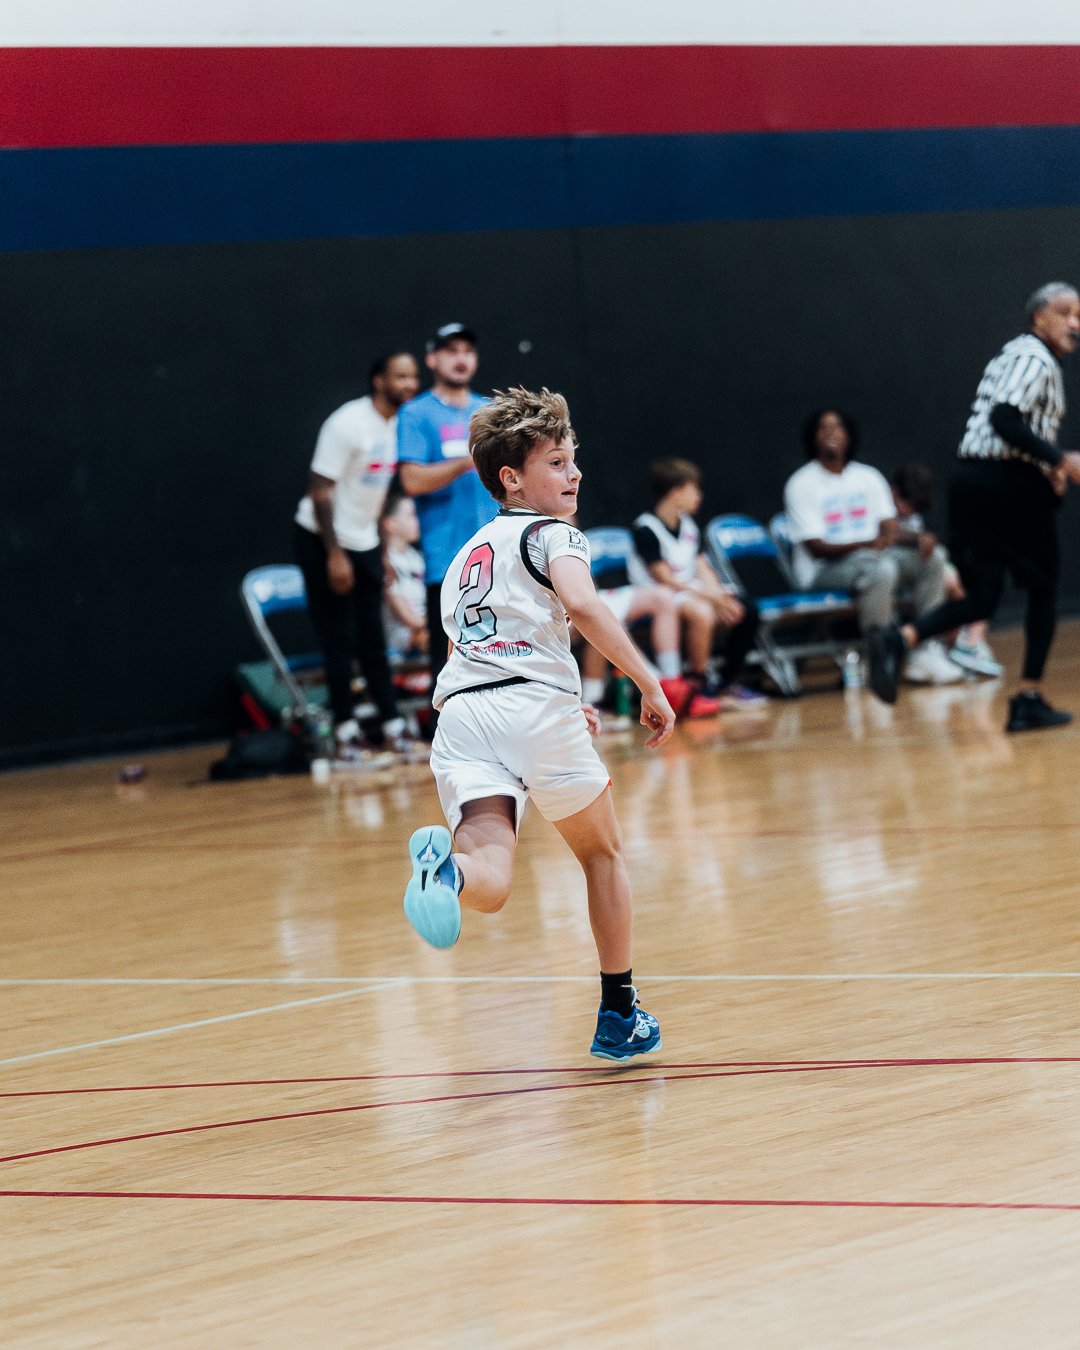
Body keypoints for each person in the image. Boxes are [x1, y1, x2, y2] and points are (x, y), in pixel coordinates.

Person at [401, 386, 676, 1062]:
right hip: (533, 711)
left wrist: (554, 690)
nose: (573, 473)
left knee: (489, 876)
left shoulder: (465, 558)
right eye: (557, 461)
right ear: (511, 478)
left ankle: (447, 880)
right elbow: (581, 605)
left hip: (463, 715)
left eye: (573, 459)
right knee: (601, 855)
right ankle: (618, 1016)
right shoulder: (555, 534)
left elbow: (479, 653)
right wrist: (647, 680)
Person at [867, 283, 1080, 730]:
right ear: (1039, 317)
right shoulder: (1034, 357)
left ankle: (900, 638)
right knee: (1043, 589)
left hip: (974, 481)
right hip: (1007, 485)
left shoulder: (1014, 355)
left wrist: (1049, 467)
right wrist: (1059, 460)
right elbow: (1005, 419)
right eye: (1066, 313)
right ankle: (1028, 697)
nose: (1075, 324)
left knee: (983, 594)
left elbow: (1008, 423)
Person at [294, 350, 420, 755]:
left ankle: (392, 725)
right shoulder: (347, 423)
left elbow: (380, 493)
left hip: (364, 542)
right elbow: (319, 491)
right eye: (400, 376)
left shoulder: (399, 426)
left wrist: (379, 550)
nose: (409, 384)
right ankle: (345, 733)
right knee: (339, 640)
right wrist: (333, 554)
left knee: (372, 639)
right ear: (378, 381)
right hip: (322, 539)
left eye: (413, 377)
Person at [783, 409, 961, 684]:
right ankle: (877, 655)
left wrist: (918, 539)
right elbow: (817, 548)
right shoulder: (801, 483)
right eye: (823, 428)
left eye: (838, 427)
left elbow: (889, 528)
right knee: (882, 568)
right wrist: (867, 543)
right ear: (812, 438)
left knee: (934, 558)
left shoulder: (867, 477)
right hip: (823, 571)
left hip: (873, 559)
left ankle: (924, 650)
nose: (832, 433)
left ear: (849, 435)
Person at [397, 323, 498, 707]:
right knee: (451, 664)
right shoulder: (417, 413)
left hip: (496, 552)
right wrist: (465, 461)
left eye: (468, 351)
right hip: (448, 560)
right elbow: (411, 479)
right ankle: (449, 747)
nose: (461, 358)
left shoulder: (488, 409)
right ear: (432, 359)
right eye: (451, 350)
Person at [629, 458, 767, 711]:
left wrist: (719, 597)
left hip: (689, 592)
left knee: (745, 609)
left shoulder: (689, 526)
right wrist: (710, 598)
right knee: (702, 613)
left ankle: (726, 682)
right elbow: (664, 578)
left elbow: (702, 567)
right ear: (675, 492)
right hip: (660, 597)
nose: (699, 496)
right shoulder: (645, 528)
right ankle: (697, 684)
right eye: (694, 489)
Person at [890, 463, 1003, 678]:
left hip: (925, 572)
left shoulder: (918, 516)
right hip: (899, 572)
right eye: (907, 504)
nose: (911, 511)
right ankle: (958, 648)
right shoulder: (882, 510)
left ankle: (967, 644)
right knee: (953, 586)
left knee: (965, 586)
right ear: (894, 492)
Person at [380, 493, 428, 660]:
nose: (418, 521)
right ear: (390, 524)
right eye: (411, 516)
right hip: (402, 645)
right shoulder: (386, 563)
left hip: (425, 631)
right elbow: (409, 620)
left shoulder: (416, 557)